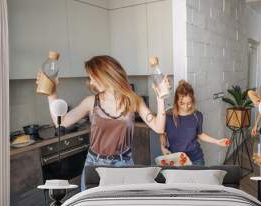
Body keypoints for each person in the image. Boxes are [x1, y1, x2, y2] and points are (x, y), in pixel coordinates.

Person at [37, 55, 168, 191]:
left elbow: (159, 128)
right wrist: (51, 94)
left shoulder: (134, 101)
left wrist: (160, 99)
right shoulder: (91, 102)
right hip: (95, 164)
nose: (91, 83)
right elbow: (61, 122)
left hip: (123, 164)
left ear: (105, 74)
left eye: (93, 77)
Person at [159, 80, 230, 166]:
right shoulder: (168, 116)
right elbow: (163, 134)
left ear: (193, 100)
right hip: (175, 159)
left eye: (189, 103)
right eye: (182, 103)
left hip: (196, 159)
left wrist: (217, 141)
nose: (185, 107)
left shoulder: (197, 116)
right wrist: (163, 147)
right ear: (176, 101)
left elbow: (200, 135)